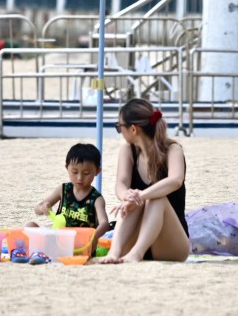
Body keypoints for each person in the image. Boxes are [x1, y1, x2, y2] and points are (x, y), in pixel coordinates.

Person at [101, 98, 190, 263]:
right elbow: (121, 183)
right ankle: (114, 252)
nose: (119, 131)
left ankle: (137, 253)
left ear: (133, 129)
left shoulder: (172, 149)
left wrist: (142, 195)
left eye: (119, 127)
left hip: (170, 245)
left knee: (155, 199)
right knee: (131, 198)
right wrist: (128, 196)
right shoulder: (128, 151)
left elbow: (175, 180)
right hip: (132, 241)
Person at [29, 143, 110, 249]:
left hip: (82, 243)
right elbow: (37, 209)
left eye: (86, 173)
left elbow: (104, 223)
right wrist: (43, 207)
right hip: (57, 239)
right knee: (30, 226)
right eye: (75, 172)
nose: (80, 178)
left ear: (97, 171)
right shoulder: (63, 190)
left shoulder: (96, 199)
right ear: (67, 168)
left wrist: (94, 236)